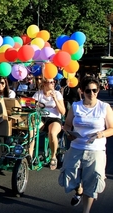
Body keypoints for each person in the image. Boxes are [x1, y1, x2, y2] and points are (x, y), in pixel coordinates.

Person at [60, 76, 113, 212]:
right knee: (71, 176)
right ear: (82, 91)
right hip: (76, 147)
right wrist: (68, 133)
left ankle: (86, 211)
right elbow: (67, 125)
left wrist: (101, 134)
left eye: (94, 90)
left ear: (98, 90)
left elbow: (112, 128)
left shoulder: (104, 107)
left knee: (92, 183)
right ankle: (78, 190)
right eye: (88, 91)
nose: (92, 94)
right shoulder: (76, 106)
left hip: (96, 149)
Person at [32, 77, 66, 170]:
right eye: (50, 82)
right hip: (41, 118)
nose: (53, 83)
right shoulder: (38, 94)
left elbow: (63, 112)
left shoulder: (57, 94)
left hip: (54, 118)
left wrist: (55, 99)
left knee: (52, 133)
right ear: (44, 83)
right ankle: (30, 154)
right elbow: (30, 104)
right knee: (32, 130)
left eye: (53, 82)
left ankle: (53, 156)